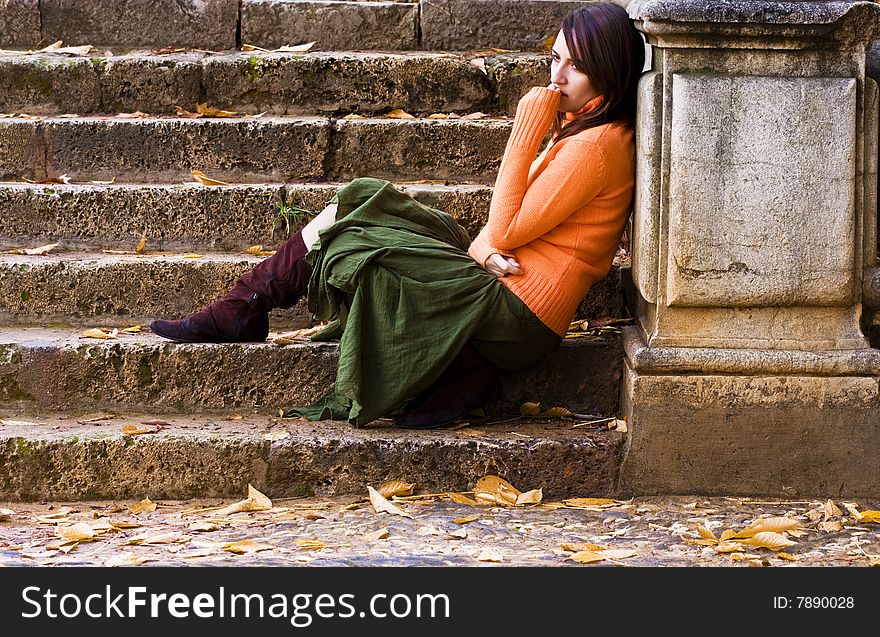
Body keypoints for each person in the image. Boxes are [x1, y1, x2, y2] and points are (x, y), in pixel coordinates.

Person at [150, 2, 645, 429]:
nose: (555, 79)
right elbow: (496, 235)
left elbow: (508, 227)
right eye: (556, 58)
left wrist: (524, 129)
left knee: (368, 245)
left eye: (574, 68)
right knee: (362, 197)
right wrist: (482, 245)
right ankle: (246, 304)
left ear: (608, 75)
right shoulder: (586, 127)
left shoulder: (597, 145)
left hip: (516, 312)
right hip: (501, 282)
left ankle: (247, 309)